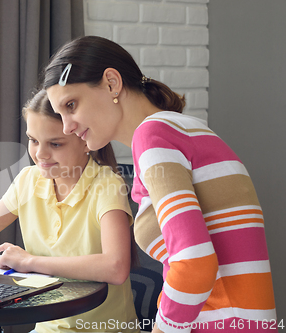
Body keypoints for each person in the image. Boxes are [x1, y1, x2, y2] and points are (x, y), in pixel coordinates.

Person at [41, 35, 277, 333]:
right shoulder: (181, 128)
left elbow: (195, 263)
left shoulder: (153, 136)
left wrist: (162, 329)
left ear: (112, 83)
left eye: (71, 105)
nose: (66, 126)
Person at [0, 89, 139, 333]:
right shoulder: (28, 180)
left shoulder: (107, 185)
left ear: (86, 140)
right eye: (33, 140)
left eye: (55, 144)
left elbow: (115, 267)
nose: (40, 155)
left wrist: (31, 262)